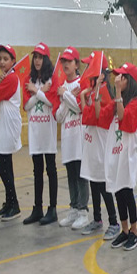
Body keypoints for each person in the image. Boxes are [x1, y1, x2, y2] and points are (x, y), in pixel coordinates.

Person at [96, 63, 137, 251]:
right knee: (117, 191)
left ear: (129, 80)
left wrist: (116, 93)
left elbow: (125, 120)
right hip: (116, 152)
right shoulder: (118, 100)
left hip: (127, 152)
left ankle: (134, 231)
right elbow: (101, 115)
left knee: (126, 191)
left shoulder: (135, 102)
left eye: (122, 77)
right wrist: (97, 91)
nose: (118, 79)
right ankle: (124, 230)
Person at [79, 55, 121, 240]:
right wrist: (83, 96)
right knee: (94, 184)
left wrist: (91, 98)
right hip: (92, 147)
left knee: (104, 186)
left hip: (101, 147)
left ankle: (114, 222)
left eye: (89, 66)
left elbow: (95, 116)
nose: (86, 70)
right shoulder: (92, 92)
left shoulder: (104, 94)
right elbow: (85, 115)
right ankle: (97, 219)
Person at [22, 43, 60, 225]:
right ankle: (37, 208)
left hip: (48, 132)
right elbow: (26, 105)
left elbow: (53, 103)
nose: (37, 61)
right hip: (35, 132)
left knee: (51, 169)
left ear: (46, 59)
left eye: (40, 57)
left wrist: (36, 91)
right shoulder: (28, 79)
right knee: (37, 170)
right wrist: (40, 92)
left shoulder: (52, 79)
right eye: (35, 57)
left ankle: (52, 209)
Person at [55, 46, 90, 230]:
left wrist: (66, 96)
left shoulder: (81, 83)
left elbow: (79, 108)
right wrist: (66, 97)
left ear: (76, 64)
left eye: (69, 61)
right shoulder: (62, 87)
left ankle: (83, 211)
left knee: (81, 174)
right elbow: (58, 116)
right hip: (67, 137)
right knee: (70, 174)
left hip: (79, 137)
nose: (65, 64)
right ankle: (74, 208)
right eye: (63, 61)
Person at [0, 44, 23, 221]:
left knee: (3, 165)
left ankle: (14, 204)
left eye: (6, 59)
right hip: (3, 123)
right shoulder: (6, 78)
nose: (2, 62)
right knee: (5, 164)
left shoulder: (12, 78)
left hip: (9, 125)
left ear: (13, 61)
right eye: (0, 59)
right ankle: (9, 202)